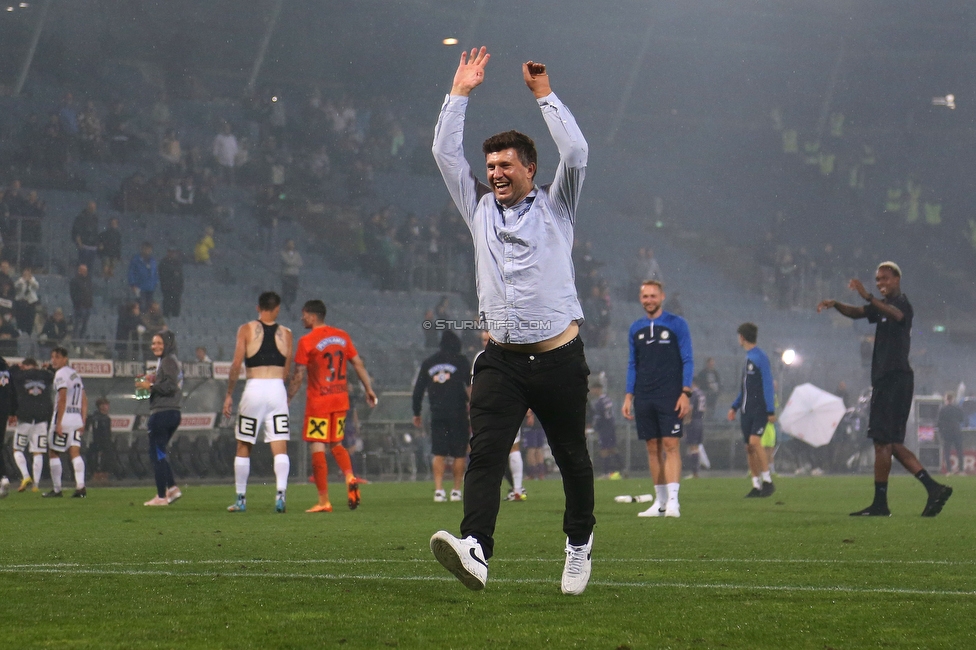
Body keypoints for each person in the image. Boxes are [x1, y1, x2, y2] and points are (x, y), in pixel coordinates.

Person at [428, 48, 595, 596]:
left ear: (530, 169)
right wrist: (460, 94)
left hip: (558, 358)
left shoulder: (558, 205)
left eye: (506, 165)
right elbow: (443, 151)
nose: (495, 173)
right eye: (491, 165)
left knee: (571, 456)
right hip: (500, 358)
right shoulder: (475, 203)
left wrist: (543, 94)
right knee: (486, 452)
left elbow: (577, 148)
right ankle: (475, 548)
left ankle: (578, 544)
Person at [817, 262, 952, 516]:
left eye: (885, 279)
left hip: (893, 379)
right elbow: (857, 312)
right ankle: (933, 489)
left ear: (897, 279)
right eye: (877, 280)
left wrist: (868, 295)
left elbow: (897, 315)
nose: (880, 283)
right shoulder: (882, 308)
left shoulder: (901, 304)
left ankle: (881, 504)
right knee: (891, 444)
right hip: (892, 380)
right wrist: (835, 304)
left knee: (882, 443)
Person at [287, 299, 377, 512]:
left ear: (312, 316)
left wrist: (289, 396)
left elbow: (298, 374)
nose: (302, 318)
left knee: (317, 446)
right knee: (336, 443)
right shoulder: (342, 337)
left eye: (304, 314)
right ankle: (349, 476)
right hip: (340, 400)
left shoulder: (307, 341)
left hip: (319, 402)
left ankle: (323, 500)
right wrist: (369, 389)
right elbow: (358, 364)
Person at [622, 280, 693, 518]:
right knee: (652, 448)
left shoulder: (677, 324)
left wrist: (686, 392)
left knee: (671, 445)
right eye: (645, 297)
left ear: (662, 297)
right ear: (640, 299)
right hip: (644, 394)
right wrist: (628, 395)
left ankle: (674, 501)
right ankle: (660, 502)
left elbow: (688, 359)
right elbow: (633, 363)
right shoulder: (635, 328)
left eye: (653, 296)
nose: (649, 300)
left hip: (670, 394)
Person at [222, 292, 293, 513]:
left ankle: (241, 499)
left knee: (244, 443)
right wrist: (281, 393)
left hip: (254, 387)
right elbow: (287, 370)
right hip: (276, 389)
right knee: (279, 444)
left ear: (258, 307)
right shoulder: (287, 334)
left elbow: (236, 364)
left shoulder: (246, 329)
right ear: (277, 309)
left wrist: (229, 394)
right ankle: (280, 495)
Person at [412, 330, 471, 503]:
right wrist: (473, 405)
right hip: (458, 413)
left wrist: (416, 412)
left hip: (437, 413)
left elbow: (418, 391)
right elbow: (470, 387)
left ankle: (438, 490)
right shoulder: (461, 361)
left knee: (438, 452)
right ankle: (456, 490)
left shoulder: (429, 362)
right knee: (459, 453)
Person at [727, 323, 776, 498]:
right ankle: (756, 485)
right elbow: (745, 389)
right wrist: (735, 406)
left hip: (760, 410)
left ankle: (768, 481)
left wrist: (770, 410)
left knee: (755, 442)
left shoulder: (760, 357)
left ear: (742, 337)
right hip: (746, 411)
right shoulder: (748, 358)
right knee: (749, 447)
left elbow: (768, 384)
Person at [136, 331, 183, 506]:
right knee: (159, 452)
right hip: (170, 411)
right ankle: (171, 488)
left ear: (168, 344)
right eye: (153, 343)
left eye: (159, 343)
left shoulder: (168, 360)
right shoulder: (167, 360)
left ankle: (162, 496)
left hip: (163, 412)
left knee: (156, 453)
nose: (154, 346)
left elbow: (170, 386)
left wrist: (151, 385)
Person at [43, 347, 88, 498]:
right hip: (76, 419)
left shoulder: (60, 374)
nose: (53, 360)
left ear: (65, 358)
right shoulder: (74, 374)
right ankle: (80, 487)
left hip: (64, 418)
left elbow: (62, 398)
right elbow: (84, 399)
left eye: (56, 357)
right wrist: (83, 420)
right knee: (75, 452)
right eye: (52, 357)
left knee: (54, 452)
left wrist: (59, 423)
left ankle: (57, 490)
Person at [10, 357, 54, 492]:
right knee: (38, 452)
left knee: (17, 449)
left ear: (25, 366)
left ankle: (26, 476)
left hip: (25, 417)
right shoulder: (46, 375)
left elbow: (9, 375)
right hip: (42, 418)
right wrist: (49, 368)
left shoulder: (19, 375)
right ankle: (36, 485)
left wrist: (15, 367)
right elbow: (54, 375)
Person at [590, 379, 621, 479]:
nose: (592, 391)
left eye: (593, 389)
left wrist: (594, 427)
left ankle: (606, 472)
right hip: (610, 426)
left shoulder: (599, 402)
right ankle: (622, 468)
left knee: (604, 450)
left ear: (597, 389)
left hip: (605, 428)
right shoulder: (607, 399)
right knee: (612, 448)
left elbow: (599, 417)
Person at [86, 397, 113, 484]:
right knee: (98, 461)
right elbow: (96, 433)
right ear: (100, 406)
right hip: (99, 444)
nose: (106, 407)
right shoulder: (97, 418)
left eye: (106, 405)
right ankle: (97, 478)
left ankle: (104, 477)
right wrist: (99, 445)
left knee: (107, 460)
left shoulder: (106, 418)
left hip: (107, 444)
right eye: (103, 405)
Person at [937, 392, 965, 475]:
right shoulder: (957, 408)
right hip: (956, 431)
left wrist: (941, 431)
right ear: (953, 399)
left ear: (946, 399)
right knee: (959, 451)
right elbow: (962, 419)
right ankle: (961, 470)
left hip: (947, 432)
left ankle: (949, 470)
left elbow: (939, 422)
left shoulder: (942, 409)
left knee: (947, 452)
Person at [128, 242, 159, 312]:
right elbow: (131, 272)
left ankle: (147, 321)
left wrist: (155, 282)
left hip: (150, 287)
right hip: (139, 287)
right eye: (146, 249)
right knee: (141, 305)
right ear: (142, 249)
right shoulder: (136, 260)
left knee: (149, 306)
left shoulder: (153, 261)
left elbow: (155, 273)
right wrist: (133, 284)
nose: (147, 251)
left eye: (149, 249)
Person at [685, 380, 707, 479]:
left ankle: (695, 473)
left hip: (693, 421)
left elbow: (690, 407)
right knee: (696, 447)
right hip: (700, 421)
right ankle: (696, 472)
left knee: (692, 447)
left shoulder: (693, 393)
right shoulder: (701, 393)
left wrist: (687, 419)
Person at [69, 264, 94, 339]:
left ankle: (82, 343)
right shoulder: (75, 280)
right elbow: (73, 294)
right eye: (84, 270)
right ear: (79, 271)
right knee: (78, 326)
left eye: (86, 270)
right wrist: (78, 304)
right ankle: (75, 343)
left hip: (88, 306)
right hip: (80, 307)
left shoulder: (88, 280)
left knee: (84, 327)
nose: (85, 272)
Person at [158, 248, 184, 318]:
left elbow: (180, 277)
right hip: (167, 288)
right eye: (170, 252)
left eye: (173, 252)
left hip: (177, 289)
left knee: (176, 305)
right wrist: (173, 272)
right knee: (167, 304)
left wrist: (180, 287)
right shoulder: (163, 262)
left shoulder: (178, 263)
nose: (172, 254)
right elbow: (163, 275)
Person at [280, 239, 303, 312]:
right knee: (286, 289)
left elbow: (300, 263)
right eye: (289, 243)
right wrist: (294, 263)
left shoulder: (297, 254)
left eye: (292, 244)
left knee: (293, 290)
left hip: (295, 275)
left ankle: (291, 304)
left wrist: (292, 263)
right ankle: (285, 304)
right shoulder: (282, 253)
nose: (291, 245)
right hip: (286, 274)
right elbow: (287, 262)